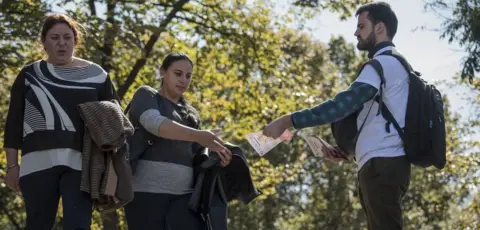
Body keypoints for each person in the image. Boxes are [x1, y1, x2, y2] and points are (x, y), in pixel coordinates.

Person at [263, 2, 411, 229]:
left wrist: (288, 120)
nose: (356, 32)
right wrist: (349, 152)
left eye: (362, 26)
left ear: (379, 28)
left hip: (382, 166)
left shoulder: (383, 63)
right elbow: (379, 120)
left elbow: (341, 106)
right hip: (383, 165)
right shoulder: (397, 65)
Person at [3, 14, 119, 229]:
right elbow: (14, 124)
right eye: (54, 37)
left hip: (81, 165)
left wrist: (112, 168)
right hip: (36, 164)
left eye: (67, 37)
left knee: (78, 225)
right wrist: (12, 166)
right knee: (38, 225)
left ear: (76, 40)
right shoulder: (29, 74)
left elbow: (114, 124)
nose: (61, 43)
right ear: (44, 42)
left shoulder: (97, 75)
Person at [124, 52, 233, 230]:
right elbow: (155, 124)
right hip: (145, 195)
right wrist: (199, 135)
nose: (183, 79)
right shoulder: (146, 96)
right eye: (178, 73)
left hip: (186, 198)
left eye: (188, 76)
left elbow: (198, 157)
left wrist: (219, 158)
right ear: (162, 72)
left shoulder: (191, 115)